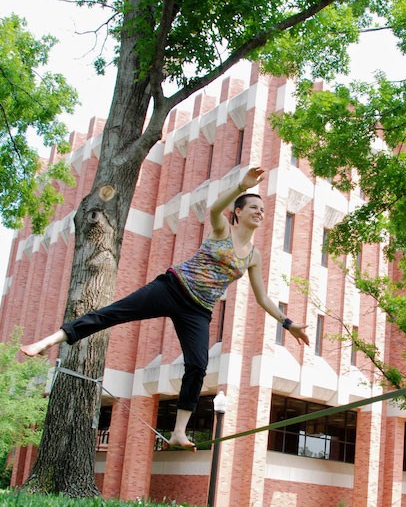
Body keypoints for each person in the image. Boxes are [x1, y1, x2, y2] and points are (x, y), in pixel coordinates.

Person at [21, 167, 309, 448]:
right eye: (253, 207)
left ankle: (178, 433)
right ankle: (49, 341)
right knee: (113, 313)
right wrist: (241, 187)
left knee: (198, 365)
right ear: (238, 212)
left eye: (262, 210)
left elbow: (262, 298)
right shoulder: (223, 231)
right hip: (172, 287)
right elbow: (212, 210)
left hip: (198, 310)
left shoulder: (254, 256)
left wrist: (288, 323)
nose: (260, 212)